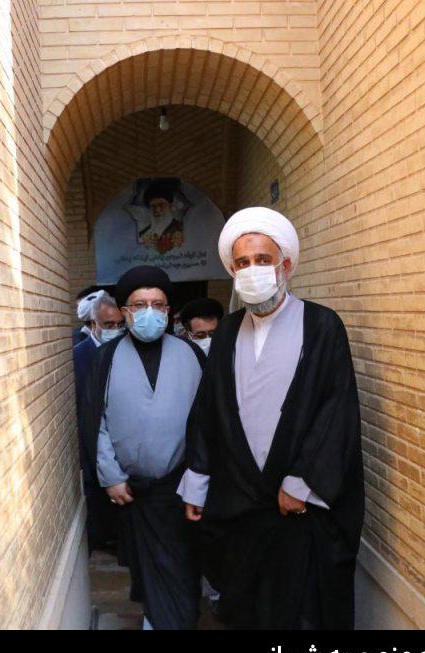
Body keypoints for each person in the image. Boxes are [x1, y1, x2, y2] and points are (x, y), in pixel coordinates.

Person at [176, 206, 364, 629]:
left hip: (296, 506)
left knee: (302, 614)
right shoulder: (227, 331)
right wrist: (197, 483)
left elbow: (336, 411)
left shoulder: (321, 326)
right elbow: (209, 411)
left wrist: (302, 482)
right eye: (242, 263)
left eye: (263, 259)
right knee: (248, 611)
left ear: (286, 266)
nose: (252, 270)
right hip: (240, 503)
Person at [79, 265, 206, 629]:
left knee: (181, 569)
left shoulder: (191, 354)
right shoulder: (105, 358)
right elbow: (95, 422)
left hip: (180, 490)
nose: (150, 312)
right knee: (146, 569)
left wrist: (199, 480)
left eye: (158, 304)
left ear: (168, 311)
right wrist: (111, 476)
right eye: (139, 304)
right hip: (132, 492)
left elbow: (207, 421)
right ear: (125, 311)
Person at [73, 291, 125, 552]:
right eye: (108, 324)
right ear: (93, 323)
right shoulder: (78, 357)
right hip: (93, 445)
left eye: (119, 324)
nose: (115, 330)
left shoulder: (126, 351)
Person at [137, 180, 184, 254]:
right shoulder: (142, 235)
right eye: (153, 206)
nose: (157, 210)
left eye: (161, 205)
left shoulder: (181, 229)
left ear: (170, 206)